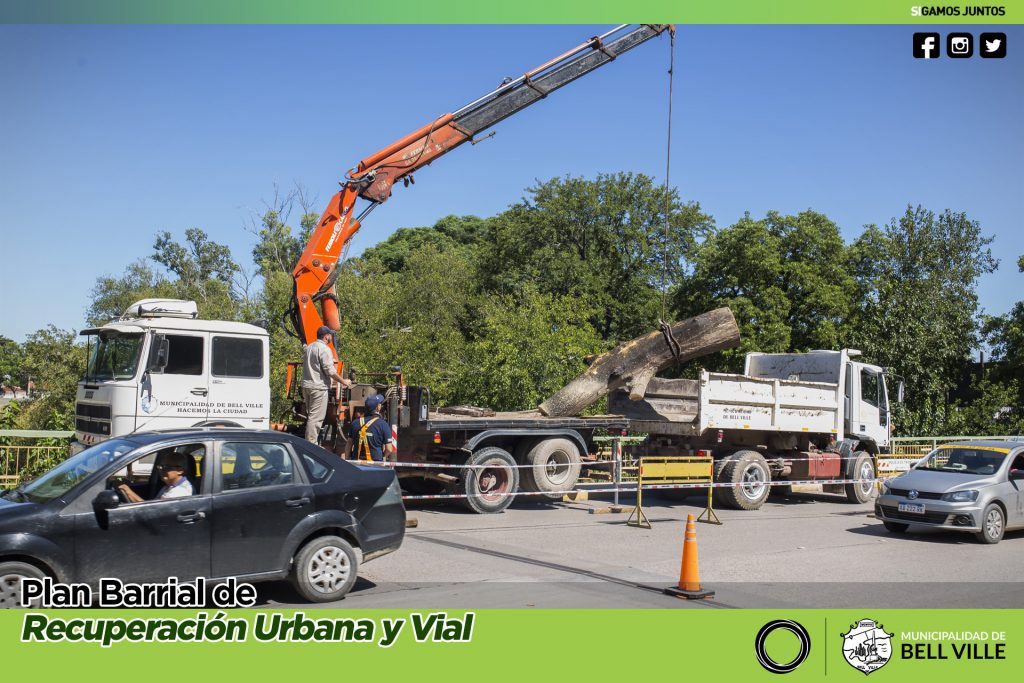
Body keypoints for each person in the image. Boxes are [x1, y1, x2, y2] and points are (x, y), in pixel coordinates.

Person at [303, 325, 353, 444]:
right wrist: (344, 382)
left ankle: (310, 442)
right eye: (330, 335)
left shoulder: (309, 348)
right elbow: (330, 371)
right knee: (315, 419)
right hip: (318, 388)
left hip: (307, 386)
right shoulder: (324, 349)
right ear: (326, 336)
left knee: (311, 416)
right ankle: (311, 445)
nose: (331, 337)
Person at [117, 451, 193, 503]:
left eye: (166, 467)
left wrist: (128, 491)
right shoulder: (169, 486)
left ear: (180, 471)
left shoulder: (179, 492)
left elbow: (150, 511)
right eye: (161, 466)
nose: (161, 470)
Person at [348, 393, 395, 463]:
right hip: (375, 465)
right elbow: (389, 449)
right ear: (378, 407)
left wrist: (347, 460)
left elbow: (349, 444)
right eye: (380, 404)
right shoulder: (383, 425)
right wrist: (383, 457)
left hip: (356, 464)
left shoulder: (355, 423)